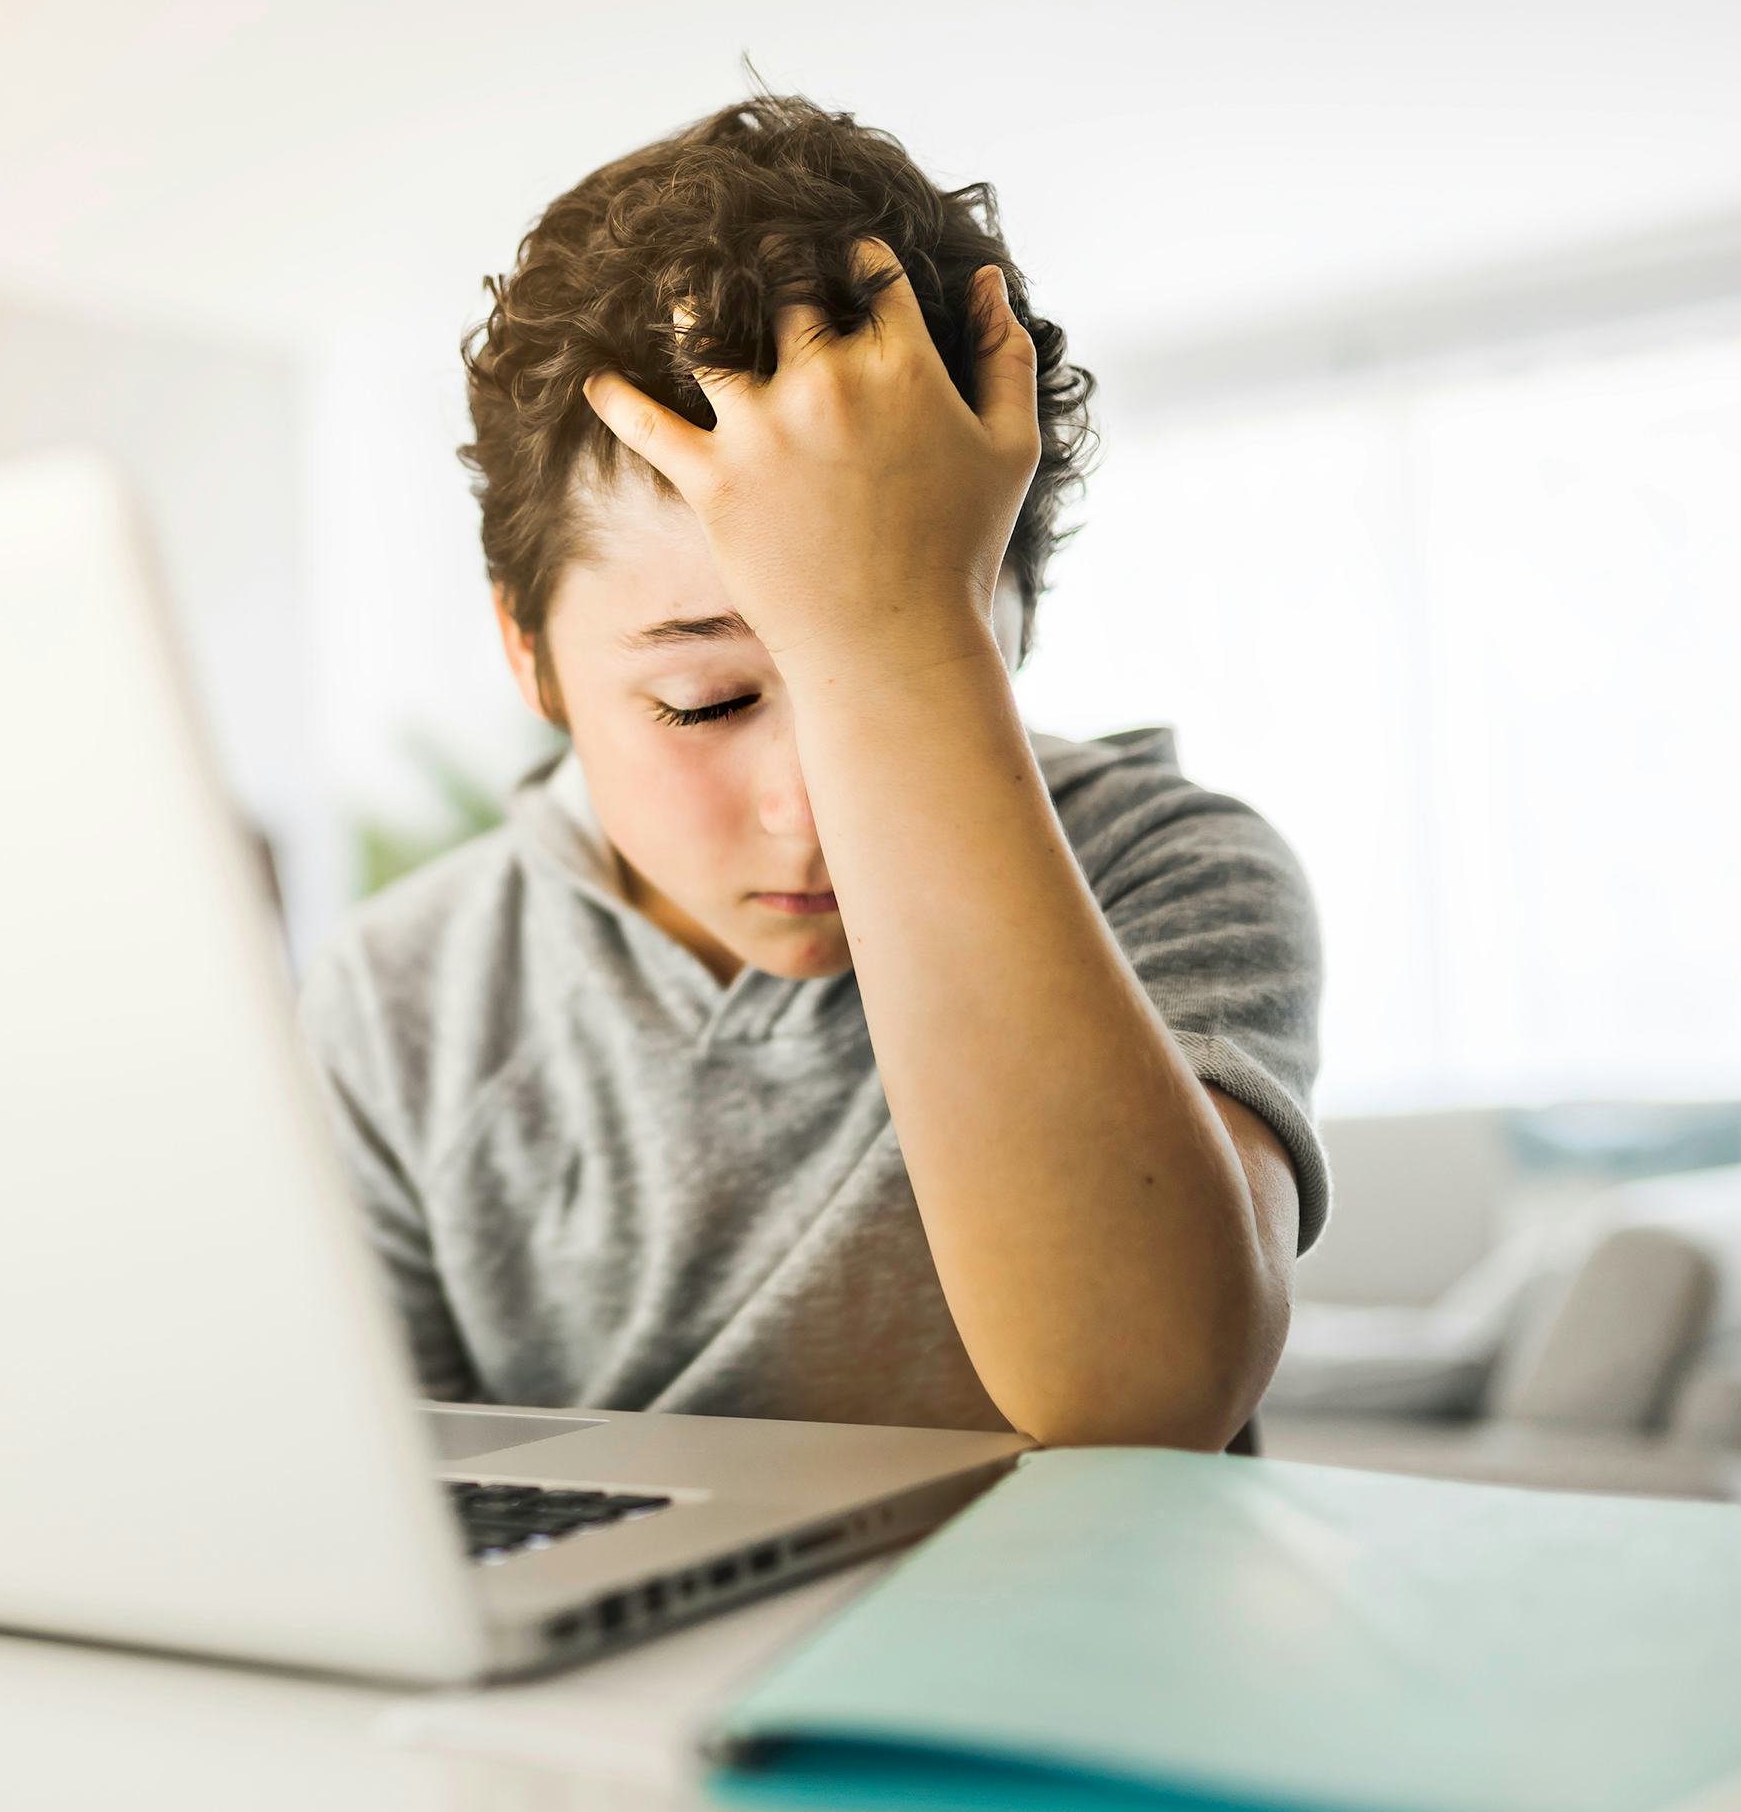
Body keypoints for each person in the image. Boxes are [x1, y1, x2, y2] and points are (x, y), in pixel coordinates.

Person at [294, 92, 1328, 1450]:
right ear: (527, 653)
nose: (811, 810)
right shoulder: (403, 994)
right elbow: (394, 1486)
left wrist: (900, 643)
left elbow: (1141, 1396)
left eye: (934, 652)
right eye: (706, 698)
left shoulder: (1165, 867)